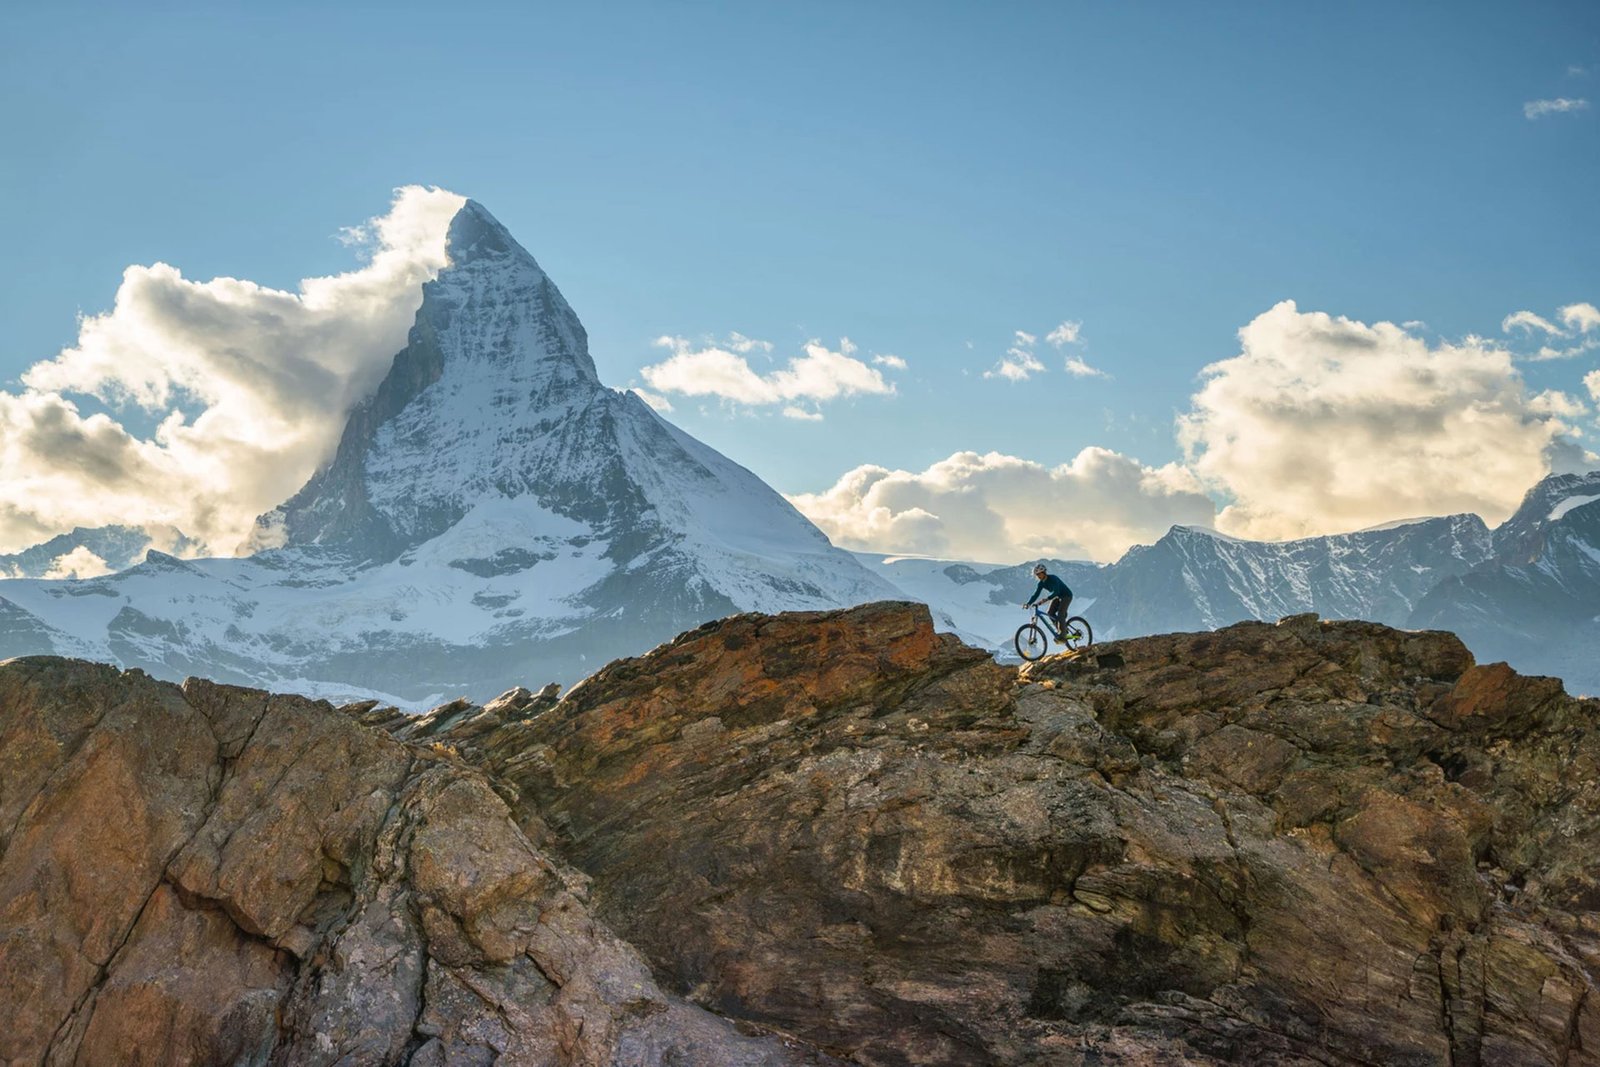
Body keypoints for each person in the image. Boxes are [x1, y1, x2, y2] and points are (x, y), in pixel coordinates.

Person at [1023, 563, 1073, 642]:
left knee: (1060, 613)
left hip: (1066, 596)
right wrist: (1028, 603)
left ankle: (1063, 636)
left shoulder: (1053, 578)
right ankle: (1062, 630)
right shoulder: (1041, 583)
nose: (1038, 576)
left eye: (1039, 574)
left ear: (1044, 572)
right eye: (1037, 575)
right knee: (1050, 613)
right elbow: (1036, 594)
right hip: (1057, 597)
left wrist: (1046, 599)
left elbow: (1056, 591)